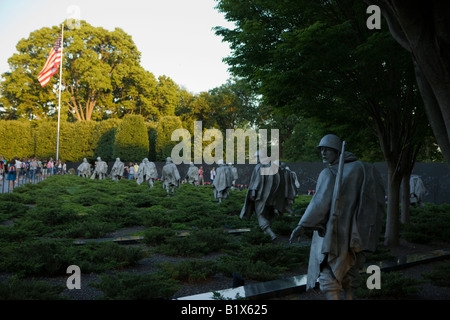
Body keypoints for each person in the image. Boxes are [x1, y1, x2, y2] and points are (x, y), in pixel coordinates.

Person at [289, 134, 385, 300]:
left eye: (328, 149)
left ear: (337, 151)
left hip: (335, 236)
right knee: (350, 274)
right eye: (321, 149)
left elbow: (319, 203)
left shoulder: (329, 173)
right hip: (358, 235)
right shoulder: (364, 169)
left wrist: (302, 225)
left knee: (329, 277)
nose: (323, 153)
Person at [240, 151, 280, 240]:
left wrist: (253, 192)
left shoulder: (259, 167)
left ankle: (271, 234)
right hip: (271, 197)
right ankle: (266, 236)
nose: (256, 159)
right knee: (268, 214)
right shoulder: (273, 167)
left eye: (257, 157)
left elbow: (256, 181)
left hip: (261, 196)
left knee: (260, 214)